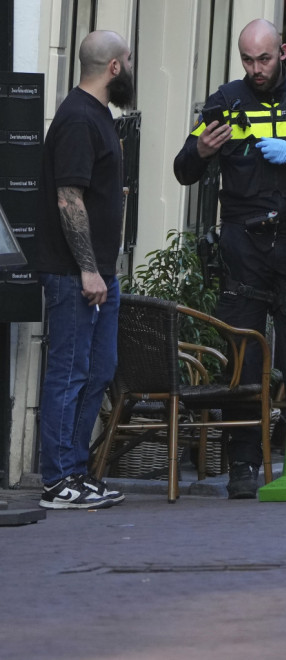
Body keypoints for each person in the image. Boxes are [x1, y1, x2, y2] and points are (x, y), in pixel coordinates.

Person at [173, 18, 286, 499]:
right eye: (248, 60)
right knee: (244, 358)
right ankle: (243, 465)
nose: (256, 69)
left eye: (265, 59)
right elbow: (182, 170)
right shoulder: (225, 102)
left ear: (283, 52)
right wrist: (201, 149)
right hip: (242, 249)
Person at [35, 30, 134, 510]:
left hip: (99, 273)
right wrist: (89, 271)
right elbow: (68, 197)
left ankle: (74, 470)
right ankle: (56, 480)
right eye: (128, 62)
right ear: (115, 67)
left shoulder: (96, 115)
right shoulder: (78, 117)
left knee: (99, 370)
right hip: (78, 274)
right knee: (69, 372)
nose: (130, 70)